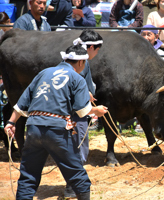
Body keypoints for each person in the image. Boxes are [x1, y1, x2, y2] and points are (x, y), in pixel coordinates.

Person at [4, 44, 108, 200]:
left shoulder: (43, 73)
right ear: (81, 62)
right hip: (57, 130)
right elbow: (82, 111)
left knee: (28, 177)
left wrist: (11, 123)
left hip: (33, 128)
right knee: (79, 178)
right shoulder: (77, 78)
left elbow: (21, 104)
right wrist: (97, 110)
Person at [62, 29, 103, 198]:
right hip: (76, 113)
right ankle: (72, 188)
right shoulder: (81, 63)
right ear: (91, 47)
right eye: (97, 49)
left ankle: (72, 185)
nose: (97, 53)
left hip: (74, 111)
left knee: (76, 148)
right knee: (79, 149)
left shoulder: (74, 59)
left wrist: (87, 92)